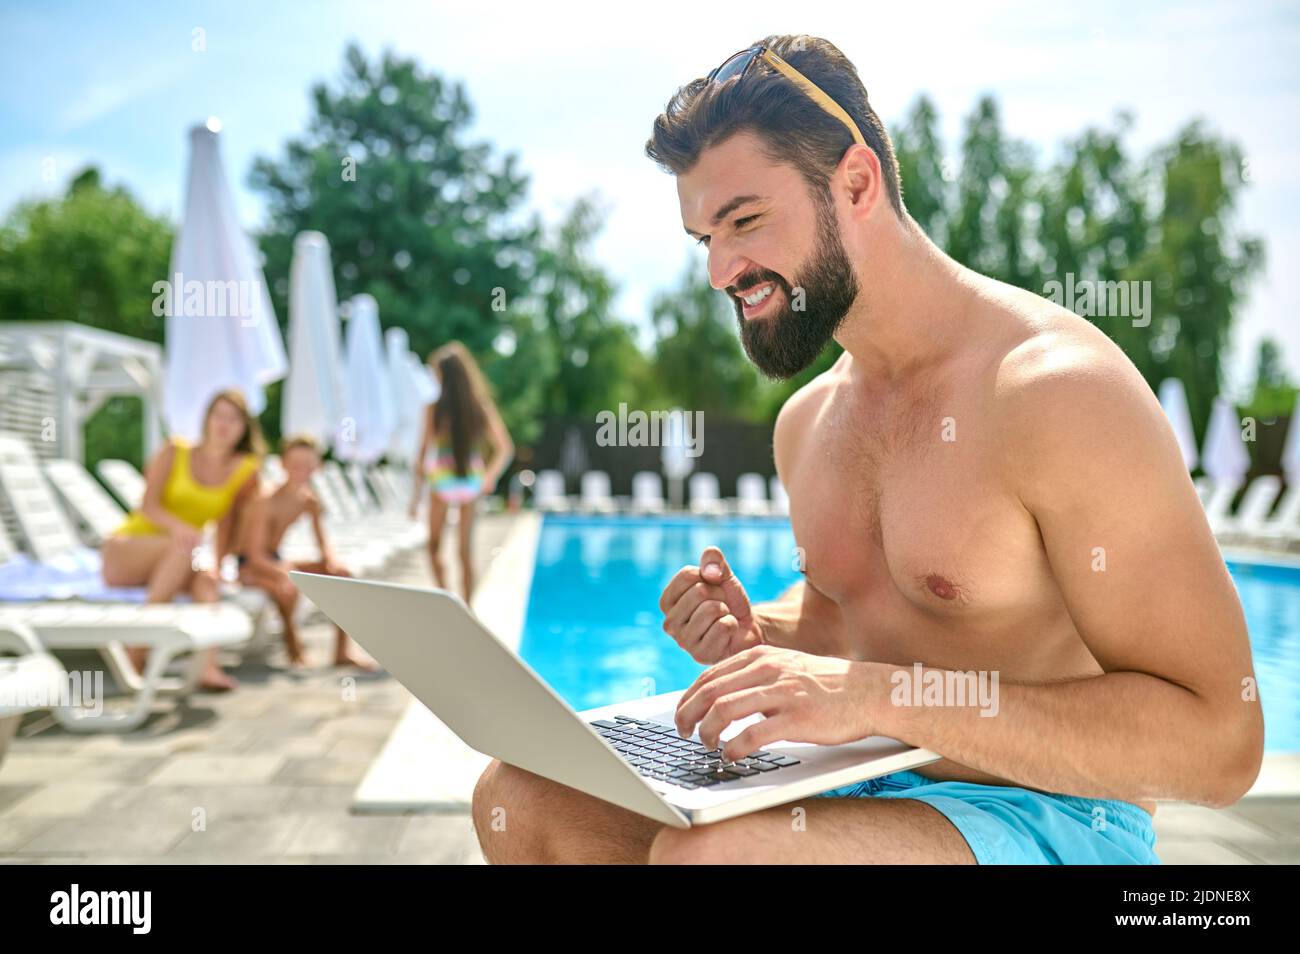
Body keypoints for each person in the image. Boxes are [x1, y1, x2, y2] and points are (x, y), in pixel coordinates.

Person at [472, 34, 1264, 864]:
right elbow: (845, 635)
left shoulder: (1055, 394)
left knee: (716, 860)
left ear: (855, 182)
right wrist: (756, 636)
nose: (720, 271)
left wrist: (882, 697)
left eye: (744, 221)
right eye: (704, 238)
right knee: (521, 796)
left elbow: (1219, 742)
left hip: (1048, 815)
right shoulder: (809, 422)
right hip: (856, 782)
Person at [101, 388, 263, 692]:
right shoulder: (175, 450)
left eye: (234, 418)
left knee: (206, 582)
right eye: (219, 415)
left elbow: (228, 523)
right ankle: (138, 647)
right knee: (182, 550)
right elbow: (147, 505)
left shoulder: (244, 469)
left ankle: (208, 667)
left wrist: (218, 565)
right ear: (207, 419)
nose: (224, 424)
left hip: (177, 558)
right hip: (128, 550)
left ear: (244, 427)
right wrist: (180, 528)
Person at [233, 435, 376, 671]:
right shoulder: (265, 500)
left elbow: (323, 544)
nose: (302, 471)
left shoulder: (308, 499)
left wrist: (332, 563)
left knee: (343, 576)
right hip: (249, 566)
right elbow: (255, 555)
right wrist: (283, 571)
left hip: (274, 560)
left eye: (308, 466)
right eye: (295, 465)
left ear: (317, 467)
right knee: (287, 585)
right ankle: (294, 647)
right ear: (282, 465)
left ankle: (342, 651)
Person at [410, 342, 513, 603]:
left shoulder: (433, 408)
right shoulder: (479, 408)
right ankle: (468, 608)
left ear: (443, 374)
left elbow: (423, 453)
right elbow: (505, 449)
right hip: (471, 481)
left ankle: (446, 597)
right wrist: (489, 477)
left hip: (441, 480)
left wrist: (415, 495)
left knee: (433, 547)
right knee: (465, 553)